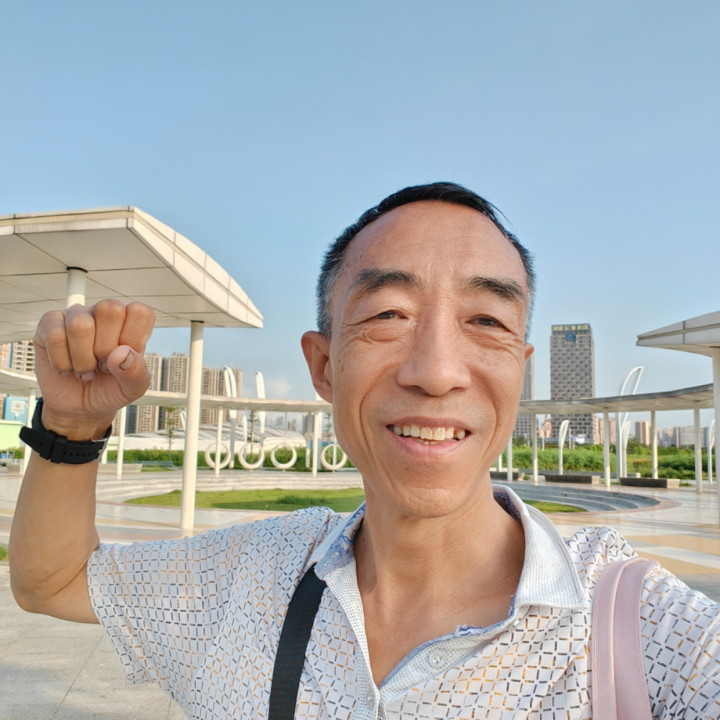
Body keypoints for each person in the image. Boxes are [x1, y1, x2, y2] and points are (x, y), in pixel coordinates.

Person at [9, 182, 720, 719]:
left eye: (486, 320)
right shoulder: (246, 580)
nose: (437, 371)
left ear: (520, 368)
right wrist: (69, 426)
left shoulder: (649, 632)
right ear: (323, 366)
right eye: (388, 314)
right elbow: (52, 582)